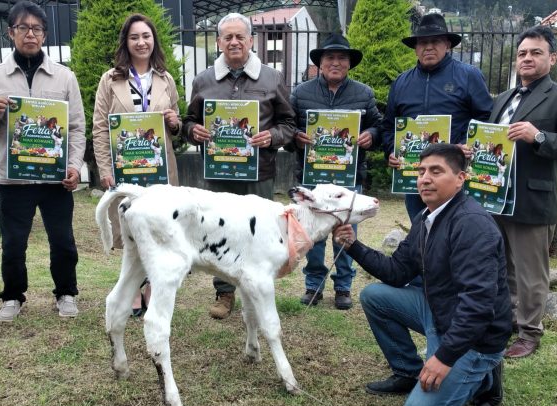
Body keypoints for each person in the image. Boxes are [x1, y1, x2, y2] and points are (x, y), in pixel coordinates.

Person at [334, 145, 511, 406]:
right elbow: (397, 272)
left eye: (436, 171)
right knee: (374, 296)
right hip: (439, 313)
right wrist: (353, 246)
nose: (424, 178)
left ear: (460, 179)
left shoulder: (472, 225)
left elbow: (479, 305)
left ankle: (485, 374)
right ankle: (407, 371)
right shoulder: (426, 218)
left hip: (475, 336)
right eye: (421, 171)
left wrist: (443, 358)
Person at [0, 0, 86, 322]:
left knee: (63, 241)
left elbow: (77, 128)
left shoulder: (65, 77)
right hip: (14, 178)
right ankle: (12, 296)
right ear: (11, 33)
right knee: (13, 244)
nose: (30, 34)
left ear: (45, 35)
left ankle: (66, 292)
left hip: (55, 178)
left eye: (36, 28)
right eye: (23, 28)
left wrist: (75, 166)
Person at [182, 12, 296, 319]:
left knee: (257, 233)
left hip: (259, 172)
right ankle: (224, 292)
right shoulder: (203, 80)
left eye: (240, 37)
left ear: (251, 40)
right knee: (221, 230)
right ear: (219, 42)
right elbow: (189, 121)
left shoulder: (272, 78)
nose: (234, 42)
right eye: (227, 37)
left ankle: (256, 292)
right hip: (219, 172)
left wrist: (271, 136)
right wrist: (194, 131)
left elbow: (289, 124)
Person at [490, 26, 557, 359]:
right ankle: (506, 323)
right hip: (494, 196)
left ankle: (530, 333)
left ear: (552, 58)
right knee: (501, 267)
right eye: (522, 53)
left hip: (531, 198)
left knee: (532, 273)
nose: (527, 58)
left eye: (535, 52)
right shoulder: (502, 99)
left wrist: (539, 136)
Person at [92, 13, 182, 317]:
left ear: (153, 40)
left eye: (146, 36)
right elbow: (100, 128)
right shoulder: (109, 79)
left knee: (157, 229)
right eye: (134, 37)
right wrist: (105, 169)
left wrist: (174, 122)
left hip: (159, 170)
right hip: (125, 170)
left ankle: (150, 289)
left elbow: (176, 124)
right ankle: (131, 289)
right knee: (131, 230)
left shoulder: (165, 78)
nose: (141, 42)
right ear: (126, 42)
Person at [285, 33, 382, 310]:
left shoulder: (363, 94)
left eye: (342, 58)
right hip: (312, 176)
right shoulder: (301, 93)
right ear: (321, 62)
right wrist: (296, 136)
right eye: (330, 58)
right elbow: (287, 125)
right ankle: (313, 284)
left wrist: (371, 135)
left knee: (346, 232)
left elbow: (379, 125)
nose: (336, 63)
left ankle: (343, 287)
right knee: (313, 233)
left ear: (349, 63)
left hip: (349, 178)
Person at [382, 13, 492, 220]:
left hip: (455, 175)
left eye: (435, 41)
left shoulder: (468, 75)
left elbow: (487, 119)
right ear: (415, 48)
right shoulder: (401, 82)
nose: (429, 47)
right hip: (415, 177)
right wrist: (391, 151)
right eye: (423, 42)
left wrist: (466, 145)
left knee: (459, 233)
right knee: (421, 231)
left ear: (447, 45)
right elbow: (389, 126)